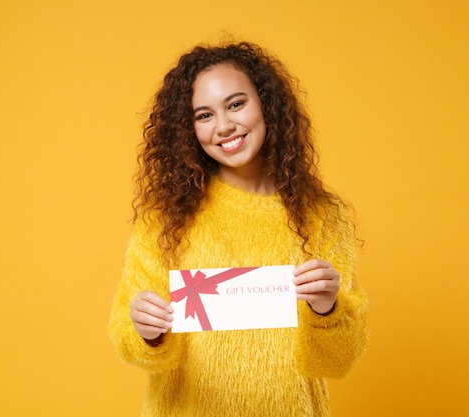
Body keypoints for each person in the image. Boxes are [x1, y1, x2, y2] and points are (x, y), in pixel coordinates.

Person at [109, 41, 368, 417]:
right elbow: (130, 342)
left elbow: (339, 362)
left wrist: (328, 309)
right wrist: (147, 330)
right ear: (188, 129)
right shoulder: (165, 218)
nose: (224, 125)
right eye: (204, 115)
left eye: (235, 104)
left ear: (266, 103)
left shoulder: (323, 215)